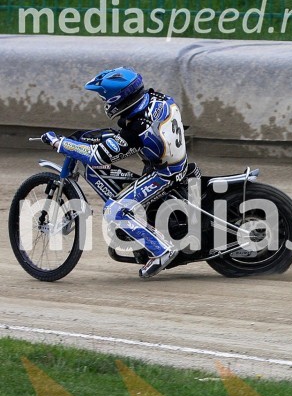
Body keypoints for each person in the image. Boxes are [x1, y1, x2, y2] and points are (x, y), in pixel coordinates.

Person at [41, 67, 187, 279]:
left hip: (165, 173)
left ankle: (161, 250)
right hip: (169, 156)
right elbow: (122, 135)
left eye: (105, 99)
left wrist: (60, 143)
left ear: (117, 99)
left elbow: (97, 157)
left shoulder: (137, 130)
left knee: (113, 210)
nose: (105, 103)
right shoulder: (156, 98)